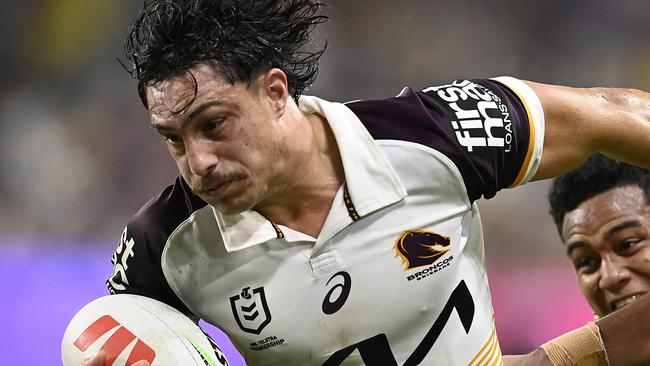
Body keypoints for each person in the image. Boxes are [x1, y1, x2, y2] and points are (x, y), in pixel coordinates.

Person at [84, 0, 650, 365]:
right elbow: (114, 337)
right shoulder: (164, 244)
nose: (198, 162)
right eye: (174, 139)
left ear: (276, 93)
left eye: (214, 125)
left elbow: (608, 114)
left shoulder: (432, 135)